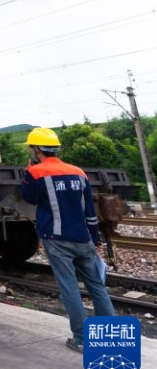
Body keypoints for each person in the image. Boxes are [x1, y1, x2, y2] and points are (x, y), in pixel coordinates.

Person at [19, 127, 115, 353]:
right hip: (84, 239)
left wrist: (29, 171)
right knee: (97, 286)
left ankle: (82, 339)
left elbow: (29, 198)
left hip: (57, 240)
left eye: (31, 148)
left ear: (35, 150)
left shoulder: (35, 173)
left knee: (70, 287)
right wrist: (95, 238)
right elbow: (89, 209)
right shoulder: (78, 172)